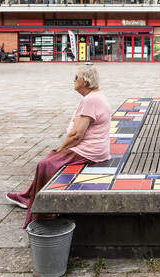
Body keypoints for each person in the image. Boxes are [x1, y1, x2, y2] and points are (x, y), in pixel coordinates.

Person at [6, 64, 112, 227]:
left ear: (85, 81)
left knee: (46, 164)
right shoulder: (94, 96)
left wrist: (62, 148)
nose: (73, 80)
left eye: (76, 77)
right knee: (49, 158)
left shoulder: (90, 100)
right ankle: (29, 197)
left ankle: (44, 212)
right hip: (92, 148)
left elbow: (77, 135)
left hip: (89, 151)